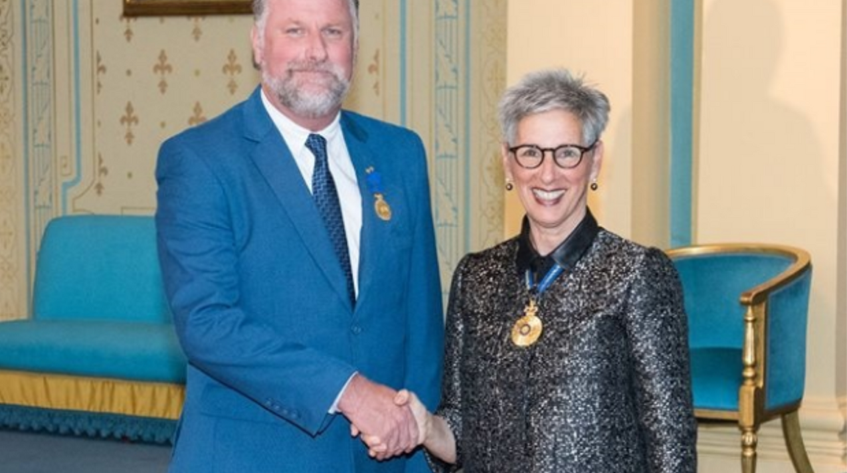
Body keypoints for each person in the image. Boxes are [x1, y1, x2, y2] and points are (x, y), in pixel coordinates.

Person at [154, 0, 444, 471]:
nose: (315, 50)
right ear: (257, 43)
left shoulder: (401, 154)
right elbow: (207, 323)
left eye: (332, 32)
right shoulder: (200, 161)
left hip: (385, 455)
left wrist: (419, 446)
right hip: (252, 455)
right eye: (294, 31)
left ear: (354, 45)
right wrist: (346, 390)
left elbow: (422, 321)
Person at [365, 68, 697, 472]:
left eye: (567, 152)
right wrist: (427, 428)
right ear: (508, 162)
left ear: (594, 162)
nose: (547, 173)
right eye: (530, 152)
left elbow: (671, 447)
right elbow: (461, 435)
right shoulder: (475, 278)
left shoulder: (637, 274)